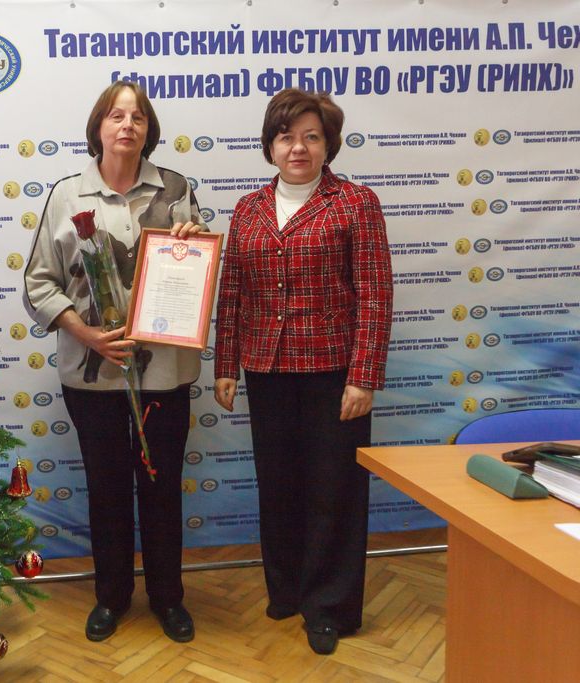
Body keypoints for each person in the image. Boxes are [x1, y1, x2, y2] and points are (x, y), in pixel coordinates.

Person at [23, 81, 205, 643]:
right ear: (98, 127)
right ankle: (112, 597)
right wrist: (87, 335)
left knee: (161, 486)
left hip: (164, 372)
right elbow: (39, 283)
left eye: (138, 117)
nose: (127, 125)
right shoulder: (66, 195)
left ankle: (168, 598)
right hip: (92, 373)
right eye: (116, 116)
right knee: (105, 490)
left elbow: (195, 268)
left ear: (149, 131)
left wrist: (193, 242)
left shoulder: (176, 188)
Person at [213, 88, 393, 655]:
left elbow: (375, 295)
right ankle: (287, 588)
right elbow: (233, 292)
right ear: (270, 145)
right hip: (266, 368)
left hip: (332, 372)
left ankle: (329, 606)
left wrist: (363, 376)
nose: (298, 148)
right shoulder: (248, 208)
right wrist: (225, 365)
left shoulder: (355, 203)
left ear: (328, 145)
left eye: (312, 137)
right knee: (279, 485)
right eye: (287, 137)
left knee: (333, 491)